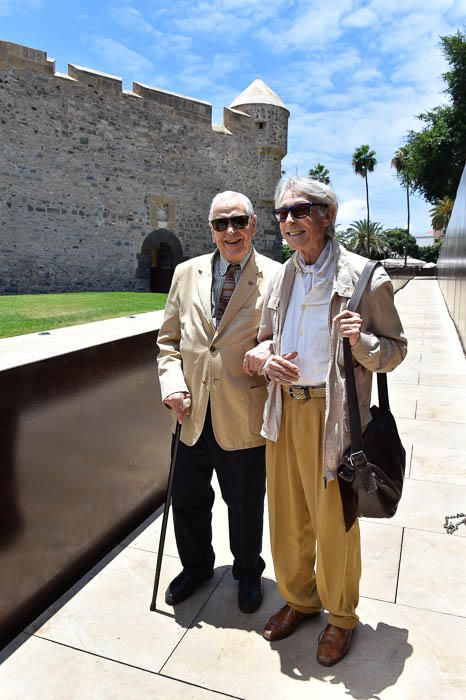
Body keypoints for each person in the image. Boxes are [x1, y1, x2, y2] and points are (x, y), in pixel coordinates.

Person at [243, 176, 407, 664]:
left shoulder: (364, 277)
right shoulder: (282, 277)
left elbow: (395, 351)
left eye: (301, 210)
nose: (289, 220)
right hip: (283, 407)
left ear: (326, 216)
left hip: (334, 415)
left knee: (336, 520)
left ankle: (340, 617)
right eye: (283, 213)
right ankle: (299, 600)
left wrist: (362, 344)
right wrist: (263, 357)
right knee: (288, 516)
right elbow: (264, 337)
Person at [157, 190, 281, 613]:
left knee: (245, 502)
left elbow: (287, 336)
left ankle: (248, 572)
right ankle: (196, 567)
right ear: (210, 229)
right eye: (221, 223)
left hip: (242, 411)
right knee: (188, 499)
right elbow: (168, 341)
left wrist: (269, 349)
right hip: (189, 410)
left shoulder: (278, 276)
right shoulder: (185, 272)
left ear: (254, 225)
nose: (231, 230)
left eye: (239, 221)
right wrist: (171, 383)